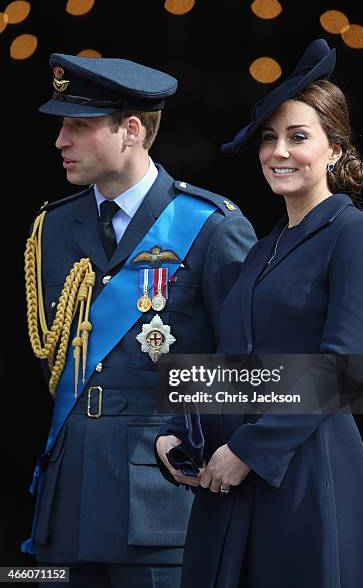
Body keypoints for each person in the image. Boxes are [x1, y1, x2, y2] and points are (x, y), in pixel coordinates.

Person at [156, 39, 363, 587]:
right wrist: (175, 429)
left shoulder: (356, 234)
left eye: (298, 137)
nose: (278, 151)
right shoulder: (263, 247)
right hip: (230, 476)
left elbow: (344, 370)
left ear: (335, 149)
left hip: (305, 470)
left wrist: (248, 450)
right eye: (269, 138)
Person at [22, 53, 256, 587]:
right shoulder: (51, 228)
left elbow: (245, 365)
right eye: (62, 125)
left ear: (131, 131)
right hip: (66, 502)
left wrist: (191, 436)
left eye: (78, 126)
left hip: (159, 501)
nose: (61, 140)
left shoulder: (210, 226)